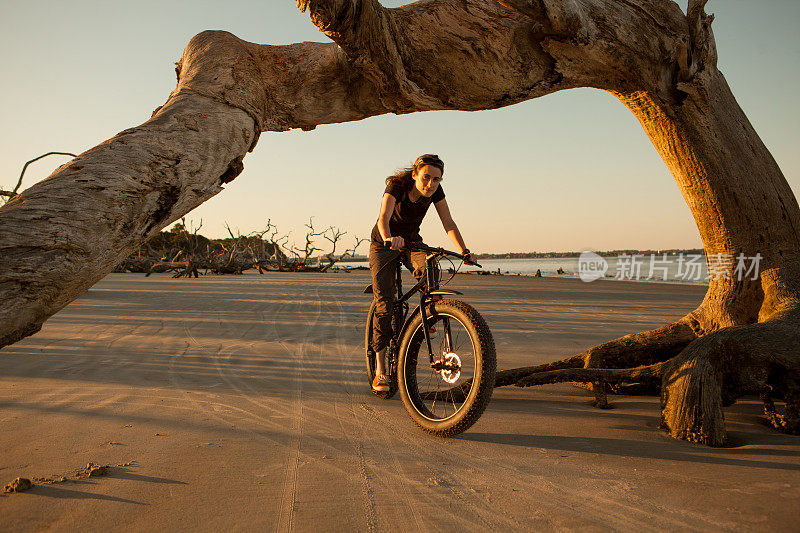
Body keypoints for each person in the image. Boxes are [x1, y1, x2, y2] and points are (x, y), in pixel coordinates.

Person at [369, 154, 477, 392]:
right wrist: (388, 238)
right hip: (383, 244)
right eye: (426, 177)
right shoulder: (397, 186)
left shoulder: (436, 192)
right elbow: (383, 218)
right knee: (385, 305)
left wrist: (464, 250)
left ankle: (426, 316)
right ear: (415, 174)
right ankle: (380, 370)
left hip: (411, 242)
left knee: (431, 268)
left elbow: (448, 222)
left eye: (436, 179)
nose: (431, 184)